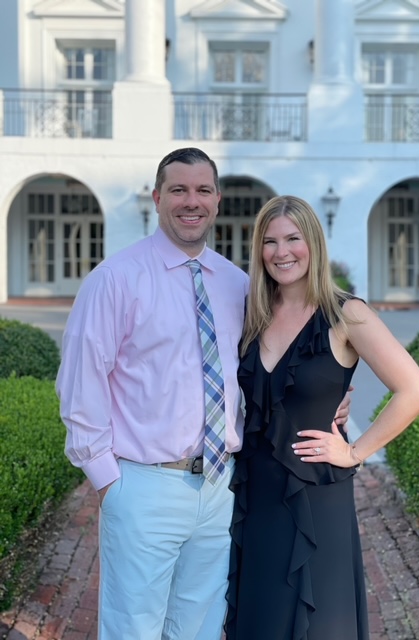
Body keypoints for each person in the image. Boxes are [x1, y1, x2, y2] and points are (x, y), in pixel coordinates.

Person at [55, 148, 351, 640]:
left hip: (220, 489)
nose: (190, 201)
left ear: (217, 200)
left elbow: (272, 363)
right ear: (156, 198)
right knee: (133, 628)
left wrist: (331, 394)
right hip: (144, 485)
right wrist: (110, 483)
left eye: (202, 190)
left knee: (199, 628)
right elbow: (80, 387)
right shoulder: (115, 280)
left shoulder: (239, 285)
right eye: (178, 190)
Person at [225, 195, 419, 640]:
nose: (282, 252)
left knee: (319, 621)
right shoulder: (253, 313)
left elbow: (415, 391)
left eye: (293, 239)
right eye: (270, 241)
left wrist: (356, 449)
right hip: (256, 493)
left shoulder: (346, 314)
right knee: (260, 617)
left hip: (317, 495)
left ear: (313, 243)